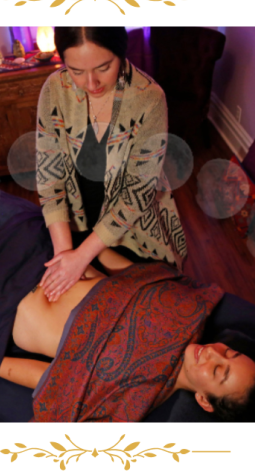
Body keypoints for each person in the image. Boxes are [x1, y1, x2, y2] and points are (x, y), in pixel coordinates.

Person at [1, 247, 255, 423]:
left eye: (218, 371)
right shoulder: (191, 310)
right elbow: (133, 276)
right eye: (230, 352)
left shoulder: (136, 400)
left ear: (205, 400)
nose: (213, 353)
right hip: (45, 255)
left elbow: (57, 384)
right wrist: (89, 247)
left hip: (6, 303)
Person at [36, 26, 188, 305]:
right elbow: (49, 176)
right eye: (76, 71)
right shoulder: (55, 88)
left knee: (145, 303)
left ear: (121, 51)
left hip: (131, 229)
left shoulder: (149, 97)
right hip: (73, 222)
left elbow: (137, 194)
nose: (91, 83)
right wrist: (65, 257)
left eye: (103, 68)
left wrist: (81, 257)